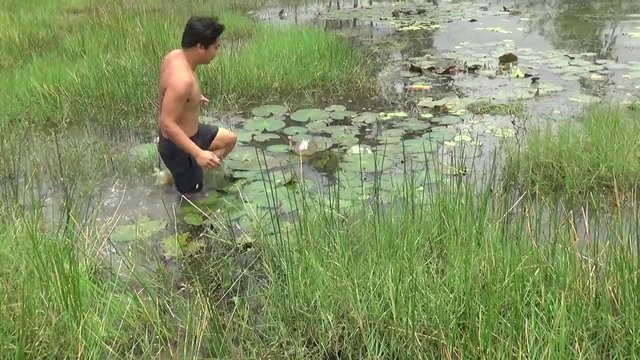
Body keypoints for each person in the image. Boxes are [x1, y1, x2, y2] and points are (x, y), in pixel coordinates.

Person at [156, 15, 237, 195]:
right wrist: (198, 154)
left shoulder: (175, 56)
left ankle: (194, 171)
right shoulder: (181, 80)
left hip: (194, 132)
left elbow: (166, 90)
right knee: (193, 200)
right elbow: (167, 124)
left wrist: (192, 99)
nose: (216, 52)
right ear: (201, 46)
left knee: (229, 139)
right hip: (178, 148)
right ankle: (187, 174)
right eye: (215, 47)